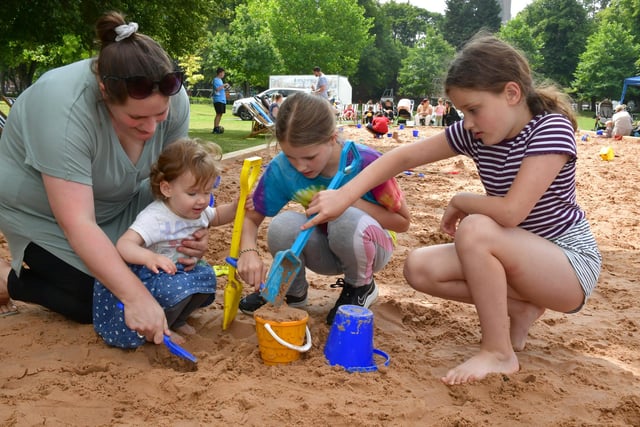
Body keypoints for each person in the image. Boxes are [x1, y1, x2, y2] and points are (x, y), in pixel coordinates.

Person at [304, 34, 602, 385]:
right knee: (420, 268)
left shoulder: (550, 129)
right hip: (521, 257)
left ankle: (497, 351)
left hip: (569, 265)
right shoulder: (476, 133)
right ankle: (520, 309)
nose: (468, 122)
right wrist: (344, 195)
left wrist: (461, 200)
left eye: (474, 109)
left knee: (475, 228)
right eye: (462, 112)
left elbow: (510, 213)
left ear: (511, 93)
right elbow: (403, 157)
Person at [0, 11, 209, 344]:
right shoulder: (62, 108)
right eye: (137, 117)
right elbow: (78, 222)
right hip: (42, 211)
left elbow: (174, 184)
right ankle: (7, 279)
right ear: (103, 92)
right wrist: (135, 298)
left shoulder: (176, 98)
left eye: (160, 114)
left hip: (122, 199)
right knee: (92, 298)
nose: (151, 128)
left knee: (160, 273)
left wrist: (186, 229)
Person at [236, 92, 410, 325]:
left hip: (370, 245)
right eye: (290, 157)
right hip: (325, 247)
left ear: (331, 138)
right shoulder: (283, 168)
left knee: (345, 217)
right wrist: (248, 252)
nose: (300, 167)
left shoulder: (367, 162)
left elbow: (402, 222)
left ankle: (360, 287)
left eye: (309, 156)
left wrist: (348, 199)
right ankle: (292, 292)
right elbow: (252, 217)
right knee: (281, 225)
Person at [94, 138, 238, 347]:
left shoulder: (195, 210)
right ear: (167, 189)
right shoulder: (156, 217)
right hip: (152, 277)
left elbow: (216, 216)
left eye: (207, 192)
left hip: (180, 270)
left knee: (207, 276)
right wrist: (149, 256)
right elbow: (124, 245)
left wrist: (236, 205)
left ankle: (177, 319)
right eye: (193, 193)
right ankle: (161, 327)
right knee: (173, 292)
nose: (202, 200)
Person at [212, 67, 229, 134]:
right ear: (220, 73)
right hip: (218, 99)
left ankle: (217, 126)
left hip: (222, 99)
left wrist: (225, 87)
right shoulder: (215, 80)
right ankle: (215, 128)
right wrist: (224, 85)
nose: (223, 74)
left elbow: (221, 89)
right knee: (218, 114)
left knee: (220, 114)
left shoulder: (220, 80)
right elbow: (217, 89)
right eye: (223, 73)